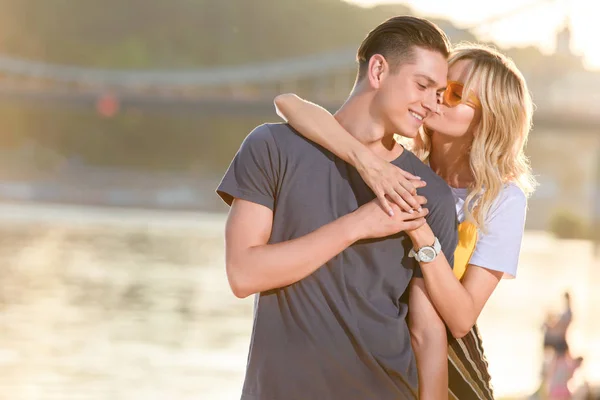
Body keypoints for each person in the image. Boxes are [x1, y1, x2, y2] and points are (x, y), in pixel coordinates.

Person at [274, 42, 536, 399]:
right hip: (371, 358)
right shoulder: (397, 165)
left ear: (486, 120)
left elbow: (460, 319)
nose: (438, 98)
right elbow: (290, 104)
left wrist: (420, 229)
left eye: (455, 94)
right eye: (437, 87)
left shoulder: (501, 199)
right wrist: (367, 163)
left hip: (449, 369)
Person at [216, 16, 458, 400]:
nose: (432, 104)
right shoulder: (273, 148)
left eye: (439, 92)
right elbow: (243, 274)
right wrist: (358, 224)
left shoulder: (430, 194)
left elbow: (428, 334)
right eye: (423, 85)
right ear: (378, 70)